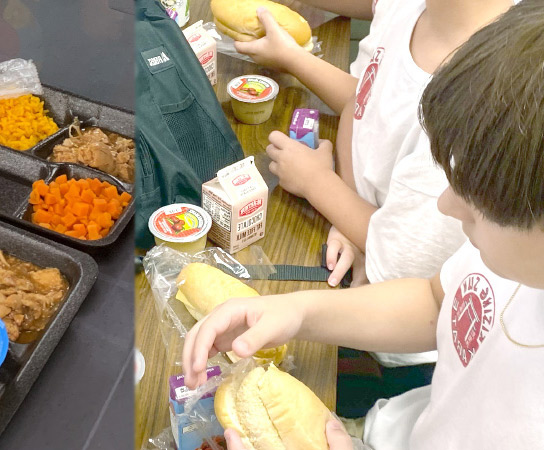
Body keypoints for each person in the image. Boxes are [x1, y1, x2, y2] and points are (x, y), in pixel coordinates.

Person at [182, 1, 544, 448]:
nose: (449, 207)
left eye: (481, 205)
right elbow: (438, 301)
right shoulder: (514, 258)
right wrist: (295, 312)